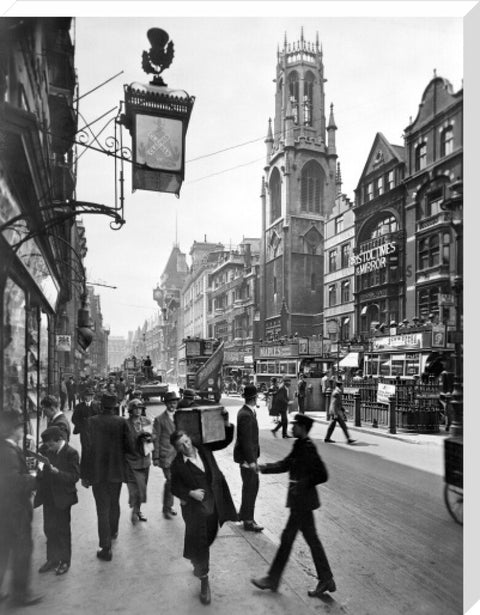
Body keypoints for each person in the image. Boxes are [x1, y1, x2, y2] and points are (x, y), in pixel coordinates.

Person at [251, 414, 336, 598]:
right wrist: (263, 467)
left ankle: (273, 579)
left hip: (303, 502)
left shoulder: (308, 448)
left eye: (295, 425)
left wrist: (304, 483)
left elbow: (322, 474)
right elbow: (285, 464)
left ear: (303, 428)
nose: (292, 427)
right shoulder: (299, 445)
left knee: (288, 539)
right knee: (309, 540)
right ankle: (326, 578)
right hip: (300, 502)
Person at [170, 421, 237, 605]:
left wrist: (227, 426)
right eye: (181, 445)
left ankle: (197, 559)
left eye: (186, 441)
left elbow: (223, 442)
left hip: (214, 503)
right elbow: (173, 486)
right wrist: (190, 493)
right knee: (201, 543)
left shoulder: (204, 449)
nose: (186, 446)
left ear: (190, 439)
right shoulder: (177, 465)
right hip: (195, 509)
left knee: (209, 536)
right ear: (177, 449)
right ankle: (204, 582)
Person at [80, 392, 132, 561]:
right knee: (114, 502)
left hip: (97, 473)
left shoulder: (91, 422)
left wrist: (84, 475)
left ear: (101, 406)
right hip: (116, 472)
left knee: (102, 508)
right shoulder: (122, 422)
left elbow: (86, 450)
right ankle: (114, 530)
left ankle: (105, 547)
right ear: (115, 406)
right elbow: (130, 448)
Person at [0, 410, 43, 606]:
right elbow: (13, 481)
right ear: (14, 430)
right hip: (15, 510)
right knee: (22, 549)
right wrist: (33, 477)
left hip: (5, 509)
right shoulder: (9, 452)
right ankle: (20, 594)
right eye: (20, 427)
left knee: (4, 549)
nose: (22, 431)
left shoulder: (6, 448)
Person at [34, 426, 80, 576]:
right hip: (48, 496)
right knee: (49, 528)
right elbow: (39, 468)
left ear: (59, 440)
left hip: (63, 498)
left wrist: (58, 472)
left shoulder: (71, 453)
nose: (48, 447)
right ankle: (52, 558)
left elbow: (74, 477)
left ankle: (65, 560)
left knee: (63, 530)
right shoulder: (47, 450)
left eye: (50, 444)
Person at [233, 384, 263, 532]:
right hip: (247, 460)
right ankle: (249, 521)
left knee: (249, 488)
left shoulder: (246, 412)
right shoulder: (246, 415)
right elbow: (246, 441)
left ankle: (243, 515)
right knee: (251, 488)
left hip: (248, 458)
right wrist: (251, 461)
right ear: (255, 398)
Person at [152, 391, 180, 519]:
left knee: (175, 481)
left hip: (178, 455)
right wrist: (156, 457)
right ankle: (166, 508)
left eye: (174, 403)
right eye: (170, 403)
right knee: (170, 481)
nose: (172, 405)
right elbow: (155, 439)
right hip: (166, 455)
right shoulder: (159, 420)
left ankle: (170, 505)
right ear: (166, 404)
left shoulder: (180, 417)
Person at [125, 399, 152, 523]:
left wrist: (149, 438)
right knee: (134, 489)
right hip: (131, 461)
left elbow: (152, 440)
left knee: (143, 488)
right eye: (135, 408)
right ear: (130, 410)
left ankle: (137, 509)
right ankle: (135, 510)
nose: (138, 411)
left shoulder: (146, 422)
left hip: (145, 460)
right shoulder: (125, 424)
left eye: (140, 408)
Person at [324, 380, 355, 444]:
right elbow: (334, 404)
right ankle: (348, 439)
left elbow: (338, 404)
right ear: (340, 386)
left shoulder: (337, 392)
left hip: (335, 411)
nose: (343, 387)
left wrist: (343, 410)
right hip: (335, 412)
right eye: (342, 386)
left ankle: (327, 438)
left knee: (332, 426)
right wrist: (335, 414)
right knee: (342, 425)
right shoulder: (337, 393)